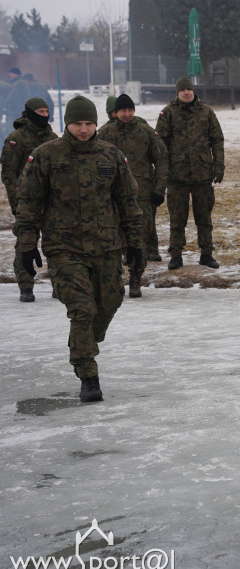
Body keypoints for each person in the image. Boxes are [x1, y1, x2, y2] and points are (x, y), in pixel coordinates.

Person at [15, 96, 144, 402]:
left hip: (107, 245)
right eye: (77, 124)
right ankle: (88, 373)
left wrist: (136, 242)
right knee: (82, 309)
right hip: (65, 247)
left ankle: (84, 342)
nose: (84, 129)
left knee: (111, 301)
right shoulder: (45, 155)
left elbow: (128, 202)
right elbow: (29, 202)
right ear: (67, 124)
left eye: (89, 123)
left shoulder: (111, 155)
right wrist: (27, 244)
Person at [97, 94, 168, 297]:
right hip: (113, 196)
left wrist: (158, 189)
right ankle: (115, 280)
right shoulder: (105, 132)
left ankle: (136, 279)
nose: (127, 114)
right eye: (123, 111)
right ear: (116, 113)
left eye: (130, 110)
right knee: (114, 239)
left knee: (139, 239)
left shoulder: (145, 132)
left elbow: (162, 161)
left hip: (142, 196)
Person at [156, 77, 225, 270]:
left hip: (202, 174)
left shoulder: (206, 112)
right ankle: (176, 254)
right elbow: (159, 145)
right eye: (183, 89)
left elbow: (217, 140)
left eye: (189, 89)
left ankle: (206, 253)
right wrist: (163, 171)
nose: (187, 92)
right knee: (177, 218)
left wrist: (219, 166)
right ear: (177, 92)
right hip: (176, 176)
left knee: (204, 217)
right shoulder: (168, 113)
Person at [2, 96, 57, 301]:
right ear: (31, 113)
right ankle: (26, 286)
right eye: (40, 112)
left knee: (54, 242)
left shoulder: (52, 137)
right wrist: (17, 202)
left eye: (46, 111)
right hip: (27, 202)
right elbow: (8, 173)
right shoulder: (16, 138)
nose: (45, 115)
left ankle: (58, 283)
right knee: (25, 243)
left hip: (51, 202)